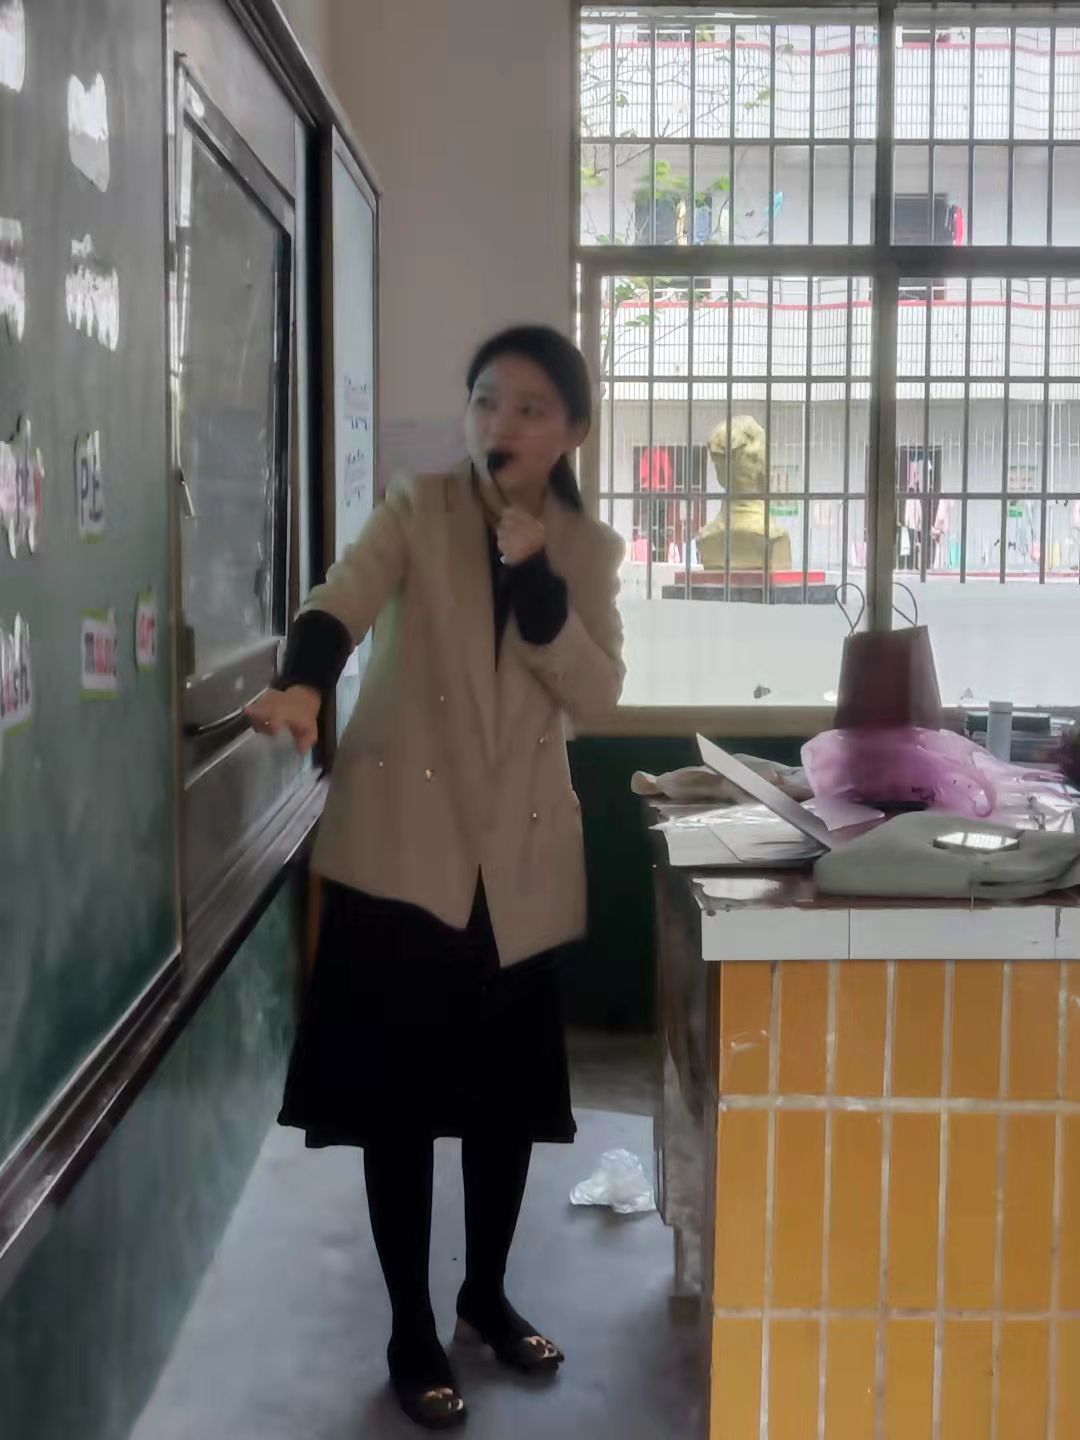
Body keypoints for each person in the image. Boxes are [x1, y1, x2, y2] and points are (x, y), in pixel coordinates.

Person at [246, 325, 625, 1431]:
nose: (500, 424)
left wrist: (537, 580)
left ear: (572, 430)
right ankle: (411, 1325)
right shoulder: (417, 508)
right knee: (399, 1111)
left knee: (505, 1112)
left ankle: (484, 1296)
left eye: (530, 408)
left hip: (517, 869)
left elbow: (597, 692)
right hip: (403, 856)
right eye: (485, 401)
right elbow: (341, 598)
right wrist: (305, 684)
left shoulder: (588, 548)